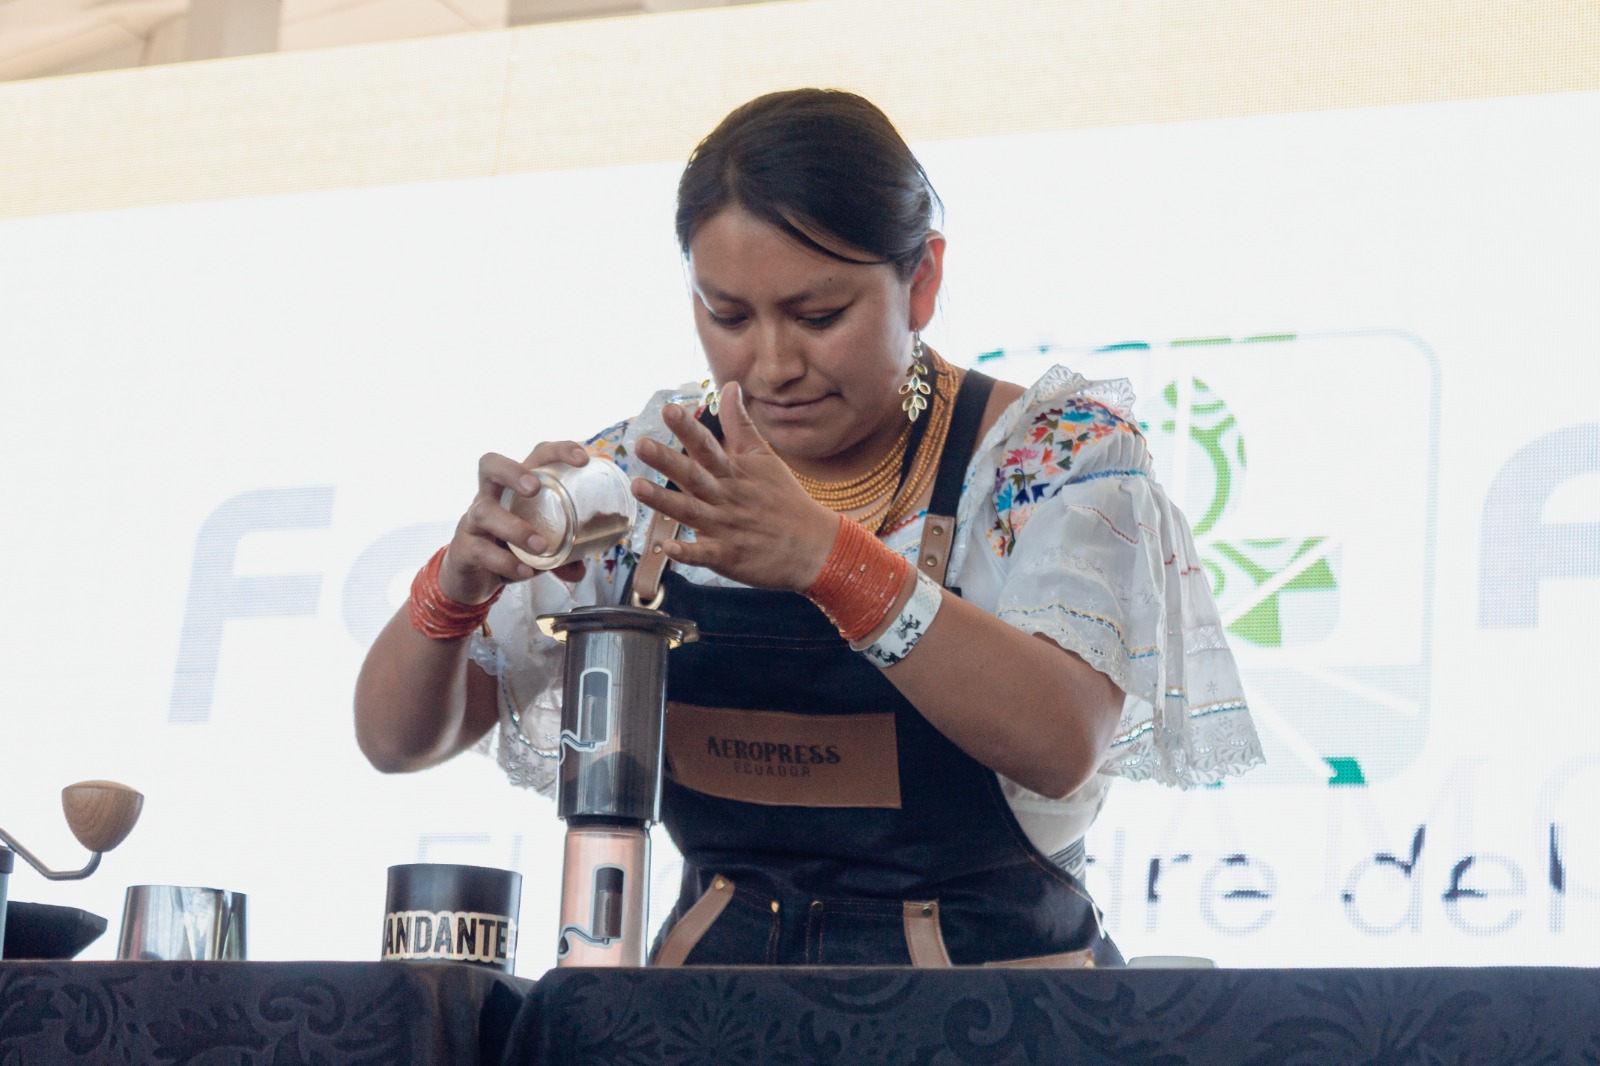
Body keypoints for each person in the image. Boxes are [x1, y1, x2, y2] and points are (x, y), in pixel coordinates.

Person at [354, 88, 1263, 967]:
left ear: (922, 280)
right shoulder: (645, 477)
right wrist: (455, 589)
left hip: (993, 1013)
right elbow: (394, 742)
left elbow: (1060, 743)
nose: (773, 365)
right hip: (708, 1016)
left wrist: (829, 560)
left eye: (818, 316)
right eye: (728, 316)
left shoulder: (1050, 456)